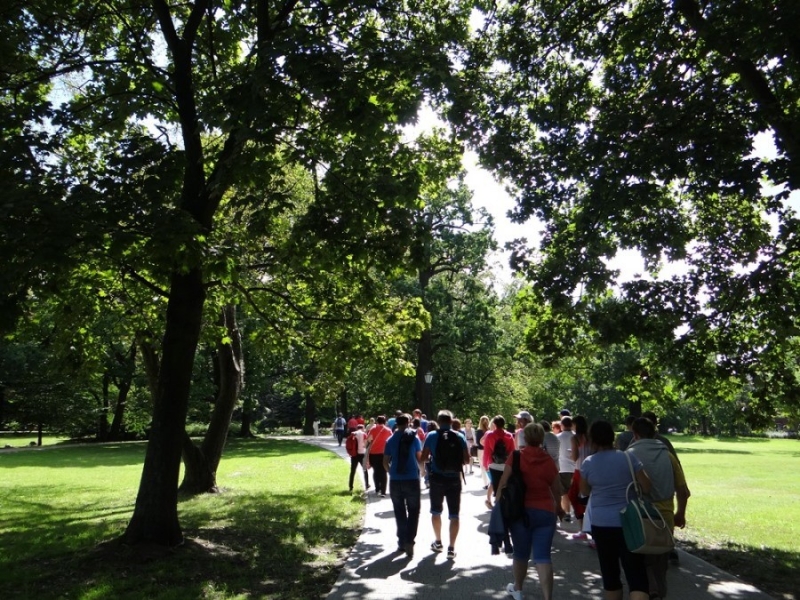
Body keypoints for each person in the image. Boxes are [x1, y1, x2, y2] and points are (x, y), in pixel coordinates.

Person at [580, 420, 653, 600]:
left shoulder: (588, 463)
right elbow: (646, 486)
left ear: (592, 440)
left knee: (610, 575)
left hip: (601, 524)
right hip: (629, 522)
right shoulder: (628, 457)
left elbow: (584, 491)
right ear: (612, 437)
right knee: (636, 574)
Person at [496, 423, 564, 600]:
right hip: (545, 512)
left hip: (520, 512)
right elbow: (556, 489)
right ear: (542, 438)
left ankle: (518, 589)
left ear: (525, 438)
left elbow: (504, 482)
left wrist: (498, 505)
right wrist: (559, 508)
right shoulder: (548, 460)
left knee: (520, 554)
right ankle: (547, 597)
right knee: (543, 557)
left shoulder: (516, 456)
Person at [627, 417, 691, 600]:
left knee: (640, 563)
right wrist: (680, 514)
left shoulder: (628, 455)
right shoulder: (668, 456)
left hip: (638, 518)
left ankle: (650, 591)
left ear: (634, 434)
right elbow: (683, 491)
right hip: (665, 519)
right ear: (655, 433)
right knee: (660, 566)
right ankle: (658, 592)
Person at [421, 410, 469, 559]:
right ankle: (451, 548)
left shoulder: (431, 435)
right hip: (454, 478)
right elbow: (467, 460)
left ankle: (438, 542)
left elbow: (423, 457)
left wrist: (433, 460)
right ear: (451, 421)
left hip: (437, 478)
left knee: (436, 511)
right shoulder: (459, 436)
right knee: (454, 514)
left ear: (438, 421)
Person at [383, 413, 423, 557]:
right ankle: (410, 540)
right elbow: (419, 458)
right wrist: (422, 470)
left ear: (396, 424)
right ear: (408, 423)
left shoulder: (390, 440)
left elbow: (385, 462)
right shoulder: (414, 438)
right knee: (414, 511)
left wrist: (391, 473)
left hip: (395, 480)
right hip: (412, 478)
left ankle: (401, 542)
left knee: (399, 512)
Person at [482, 415, 516, 509]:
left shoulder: (490, 435)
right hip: (506, 464)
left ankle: (496, 503)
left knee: (495, 483)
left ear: (494, 424)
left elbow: (487, 451)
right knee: (506, 484)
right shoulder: (509, 435)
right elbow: (512, 451)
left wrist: (485, 464)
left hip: (493, 464)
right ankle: (505, 503)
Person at [568, 415, 590, 538]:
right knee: (589, 499)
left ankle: (582, 528)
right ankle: (588, 528)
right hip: (591, 470)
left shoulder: (575, 438)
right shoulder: (591, 437)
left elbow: (575, 457)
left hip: (579, 470)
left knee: (573, 496)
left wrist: (571, 454)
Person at [365, 415, 393, 497]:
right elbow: (391, 441)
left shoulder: (373, 429)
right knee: (383, 472)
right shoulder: (388, 430)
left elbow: (368, 440)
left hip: (373, 454)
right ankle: (383, 491)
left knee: (376, 471)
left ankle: (377, 488)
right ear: (385, 422)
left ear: (377, 421)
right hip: (385, 454)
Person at [556, 415, 576, 519]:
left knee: (564, 493)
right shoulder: (576, 436)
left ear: (562, 425)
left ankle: (567, 512)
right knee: (575, 491)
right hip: (576, 468)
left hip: (562, 468)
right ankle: (576, 511)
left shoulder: (558, 437)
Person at [346, 425, 370, 492]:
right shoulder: (364, 434)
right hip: (362, 454)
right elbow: (365, 445)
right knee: (365, 470)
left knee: (352, 471)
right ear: (363, 428)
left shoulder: (353, 434)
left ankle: (351, 486)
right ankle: (367, 484)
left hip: (354, 455)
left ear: (357, 428)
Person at [475, 415, 491, 487]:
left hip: (481, 450)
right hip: (489, 450)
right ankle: (491, 482)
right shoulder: (490, 430)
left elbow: (478, 442)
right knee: (489, 466)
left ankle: (485, 483)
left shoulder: (479, 431)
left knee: (482, 467)